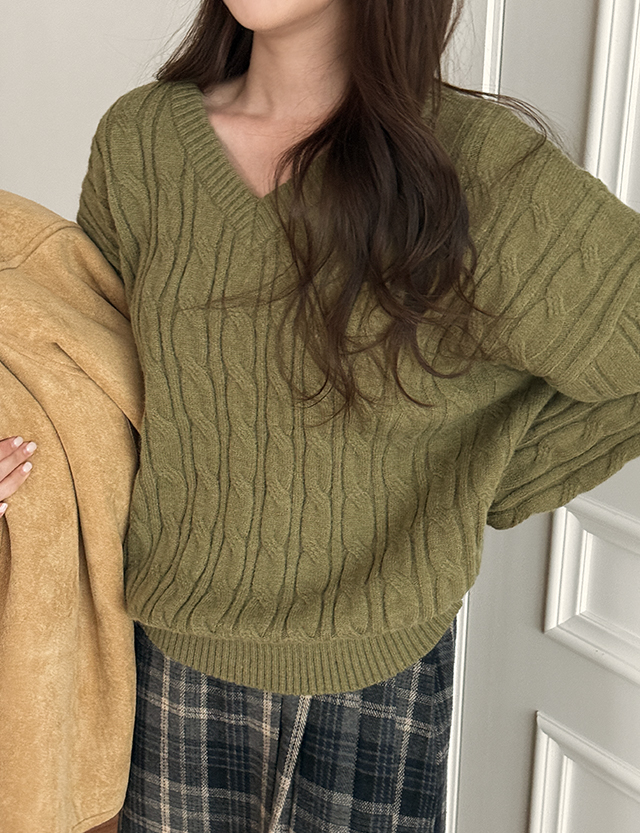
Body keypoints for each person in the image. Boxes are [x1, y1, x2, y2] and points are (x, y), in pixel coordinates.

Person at [5, 0, 640, 830]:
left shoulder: (475, 164)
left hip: (378, 679)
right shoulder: (143, 143)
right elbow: (99, 390)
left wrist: (477, 474)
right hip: (168, 657)